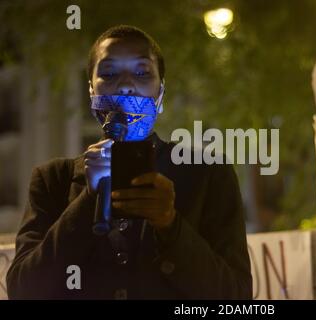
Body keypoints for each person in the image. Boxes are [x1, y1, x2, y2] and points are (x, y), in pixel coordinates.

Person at [6, 25, 252, 299]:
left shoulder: (208, 174)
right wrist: (88, 199)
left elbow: (236, 297)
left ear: (160, 95)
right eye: (109, 73)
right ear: (91, 90)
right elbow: (23, 290)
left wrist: (170, 224)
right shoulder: (53, 180)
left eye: (142, 72)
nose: (125, 85)